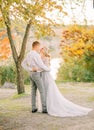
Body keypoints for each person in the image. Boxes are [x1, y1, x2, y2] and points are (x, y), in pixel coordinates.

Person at [38, 47, 92, 117]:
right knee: (43, 90)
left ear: (44, 52)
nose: (41, 52)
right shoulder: (40, 58)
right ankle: (44, 106)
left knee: (48, 90)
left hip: (46, 76)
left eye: (42, 51)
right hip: (42, 76)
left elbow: (47, 68)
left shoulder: (46, 58)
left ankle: (49, 106)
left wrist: (39, 68)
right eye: (40, 51)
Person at [22, 41, 50, 113]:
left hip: (31, 74)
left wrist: (30, 69)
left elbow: (23, 64)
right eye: (39, 47)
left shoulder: (28, 54)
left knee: (33, 91)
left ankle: (33, 107)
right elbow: (41, 65)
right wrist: (49, 69)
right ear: (36, 46)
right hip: (36, 74)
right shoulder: (36, 55)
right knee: (42, 91)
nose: (39, 48)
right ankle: (44, 108)